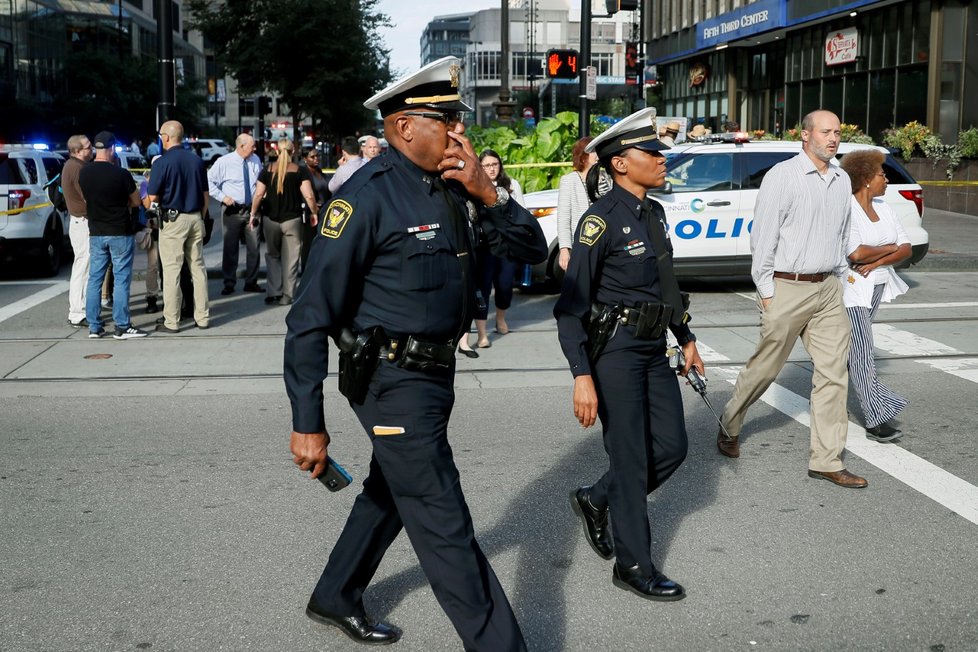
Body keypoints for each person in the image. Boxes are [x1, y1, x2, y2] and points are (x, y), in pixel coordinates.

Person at [284, 56, 546, 650]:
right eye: (447, 120)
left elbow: (530, 249)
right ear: (405, 128)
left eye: (459, 119)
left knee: (392, 488)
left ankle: (335, 592)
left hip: (434, 374)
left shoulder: (454, 188)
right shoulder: (367, 199)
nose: (460, 132)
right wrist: (308, 424)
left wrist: (489, 191)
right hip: (389, 377)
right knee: (443, 520)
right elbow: (307, 317)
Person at [554, 108, 703, 602]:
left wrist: (686, 338)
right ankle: (634, 565)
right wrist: (581, 375)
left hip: (653, 345)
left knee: (673, 446)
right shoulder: (600, 221)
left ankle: (597, 498)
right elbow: (570, 306)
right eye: (651, 154)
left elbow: (666, 285)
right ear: (620, 163)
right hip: (614, 351)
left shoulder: (653, 213)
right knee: (631, 455)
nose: (662, 162)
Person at [716, 110, 867, 488]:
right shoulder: (781, 177)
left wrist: (840, 280)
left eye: (837, 132)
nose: (833, 139)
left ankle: (826, 459)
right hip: (787, 287)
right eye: (826, 132)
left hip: (828, 289)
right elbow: (763, 239)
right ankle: (730, 422)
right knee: (765, 369)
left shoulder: (842, 178)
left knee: (834, 373)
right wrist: (766, 293)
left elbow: (842, 233)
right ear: (805, 135)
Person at [839, 150, 911, 441]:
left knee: (847, 351)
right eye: (882, 174)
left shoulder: (885, 208)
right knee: (862, 352)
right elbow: (855, 253)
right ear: (866, 179)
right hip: (853, 288)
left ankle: (825, 396)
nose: (886, 178)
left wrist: (879, 260)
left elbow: (906, 247)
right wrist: (889, 248)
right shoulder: (848, 209)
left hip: (878, 283)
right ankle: (875, 417)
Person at [78, 131, 147, 339]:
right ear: (111, 149)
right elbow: (136, 201)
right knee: (121, 279)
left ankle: (94, 326)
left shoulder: (84, 173)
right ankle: (122, 326)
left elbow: (86, 197)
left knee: (95, 279)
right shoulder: (121, 174)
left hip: (96, 231)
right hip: (119, 231)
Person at [457, 149, 524, 356]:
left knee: (505, 287)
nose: (491, 168)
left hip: (506, 245)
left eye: (494, 164)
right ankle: (482, 334)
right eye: (486, 165)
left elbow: (522, 213)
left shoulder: (511, 185)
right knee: (482, 289)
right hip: (482, 246)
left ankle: (501, 318)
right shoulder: (473, 185)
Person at [146, 120, 211, 333]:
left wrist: (145, 199)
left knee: (172, 270)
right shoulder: (197, 161)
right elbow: (205, 195)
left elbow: (153, 197)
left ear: (166, 137)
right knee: (198, 268)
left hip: (173, 221)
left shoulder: (161, 163)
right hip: (195, 217)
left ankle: (171, 321)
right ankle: (202, 317)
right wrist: (200, 217)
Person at [249, 138, 317, 306]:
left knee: (272, 255)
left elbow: (258, 195)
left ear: (277, 151)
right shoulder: (299, 171)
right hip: (292, 220)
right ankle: (288, 295)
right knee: (291, 258)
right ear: (293, 152)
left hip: (270, 219)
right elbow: (308, 195)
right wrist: (314, 212)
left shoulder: (267, 170)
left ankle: (273, 292)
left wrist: (253, 213)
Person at [208, 133, 263, 296]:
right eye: (252, 146)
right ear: (241, 146)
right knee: (230, 248)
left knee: (254, 247)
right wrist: (223, 197)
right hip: (232, 210)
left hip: (252, 210)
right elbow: (209, 181)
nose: (255, 148)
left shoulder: (255, 160)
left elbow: (259, 180)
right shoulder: (224, 162)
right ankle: (229, 282)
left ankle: (251, 281)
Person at [63, 134, 93, 328]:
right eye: (88, 147)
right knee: (83, 267)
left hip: (78, 221)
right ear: (77, 151)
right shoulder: (78, 169)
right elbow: (88, 197)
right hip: (82, 222)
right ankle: (77, 312)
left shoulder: (70, 166)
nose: (92, 149)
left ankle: (80, 309)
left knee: (82, 265)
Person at [556, 136, 599, 273]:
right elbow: (563, 218)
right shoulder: (569, 180)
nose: (597, 155)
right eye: (593, 151)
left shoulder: (604, 179)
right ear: (583, 156)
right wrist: (564, 249)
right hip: (580, 244)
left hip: (601, 242)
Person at [300, 148, 329, 271]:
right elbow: (303, 192)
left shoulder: (319, 171)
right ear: (305, 159)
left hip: (324, 210)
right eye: (313, 157)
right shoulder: (303, 172)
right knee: (308, 242)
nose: (316, 159)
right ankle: (306, 268)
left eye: (318, 156)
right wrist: (311, 206)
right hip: (310, 212)